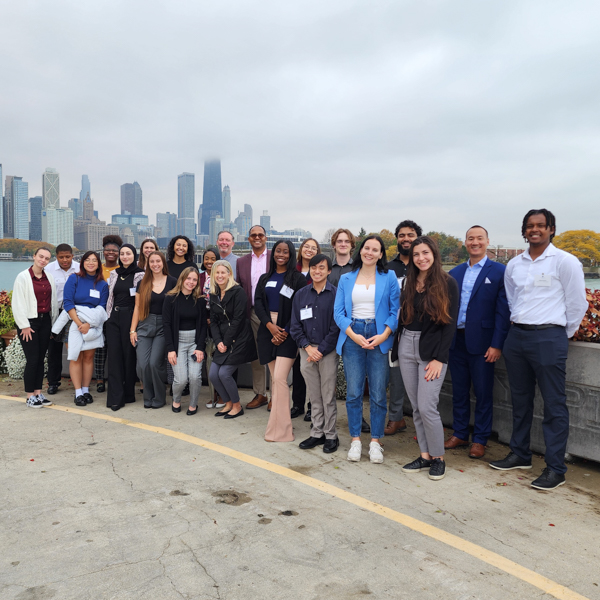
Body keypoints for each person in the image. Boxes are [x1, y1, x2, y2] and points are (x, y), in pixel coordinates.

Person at [489, 209, 587, 490]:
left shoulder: (565, 262)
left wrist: (559, 334)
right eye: (530, 226)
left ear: (551, 229)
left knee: (554, 405)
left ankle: (556, 468)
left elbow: (577, 304)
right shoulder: (514, 265)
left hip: (548, 337)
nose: (535, 230)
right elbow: (511, 298)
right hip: (516, 337)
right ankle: (520, 453)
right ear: (524, 231)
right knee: (520, 400)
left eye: (541, 226)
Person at [393, 236, 459, 481]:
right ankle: (425, 455)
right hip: (406, 346)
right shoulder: (409, 281)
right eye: (417, 254)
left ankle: (439, 458)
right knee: (417, 408)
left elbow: (449, 324)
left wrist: (439, 359)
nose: (421, 258)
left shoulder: (447, 283)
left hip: (431, 351)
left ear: (434, 254)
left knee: (428, 406)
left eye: (425, 253)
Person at [445, 226, 510, 459]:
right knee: (459, 391)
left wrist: (497, 344)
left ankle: (480, 438)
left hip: (484, 343)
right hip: (457, 341)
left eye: (479, 238)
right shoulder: (454, 272)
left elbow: (503, 312)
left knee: (483, 392)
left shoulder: (500, 271)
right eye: (470, 239)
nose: (475, 242)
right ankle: (460, 432)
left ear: (487, 241)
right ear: (465, 242)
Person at [334, 235, 400, 463]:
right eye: (366, 248)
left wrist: (383, 335)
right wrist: (353, 334)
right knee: (353, 392)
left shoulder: (389, 276)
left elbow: (395, 311)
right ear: (360, 251)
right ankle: (355, 440)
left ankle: (375, 442)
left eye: (375, 249)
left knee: (379, 393)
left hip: (379, 336)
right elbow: (338, 313)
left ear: (381, 254)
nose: (370, 252)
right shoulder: (346, 278)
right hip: (353, 335)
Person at [255, 240, 307, 441]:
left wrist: (284, 331)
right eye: (278, 250)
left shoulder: (298, 279)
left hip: (289, 331)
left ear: (291, 254)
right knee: (276, 382)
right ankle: (278, 426)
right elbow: (258, 303)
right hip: (267, 329)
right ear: (273, 253)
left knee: (279, 379)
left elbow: (300, 306)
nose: (281, 254)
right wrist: (270, 326)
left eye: (286, 251)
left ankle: (283, 430)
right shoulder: (264, 278)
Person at [291, 254, 340, 453]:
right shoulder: (301, 294)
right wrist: (306, 346)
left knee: (328, 395)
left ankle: (331, 435)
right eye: (313, 267)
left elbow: (337, 326)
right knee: (314, 395)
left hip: (327, 352)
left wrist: (320, 350)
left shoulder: (336, 294)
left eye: (322, 268)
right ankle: (316, 432)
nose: (317, 271)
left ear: (329, 271)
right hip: (306, 351)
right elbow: (295, 325)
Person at [385, 220, 422, 436]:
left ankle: (423, 424)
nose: (406, 239)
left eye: (410, 235)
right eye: (401, 235)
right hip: (394, 330)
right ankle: (396, 418)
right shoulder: (389, 268)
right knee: (395, 376)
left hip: (421, 330)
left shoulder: (424, 265)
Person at [60, 251, 109, 407]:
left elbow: (102, 308)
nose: (91, 263)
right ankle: (78, 392)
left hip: (92, 325)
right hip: (73, 323)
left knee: (88, 358)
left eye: (94, 260)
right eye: (87, 260)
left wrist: (89, 324)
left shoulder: (102, 284)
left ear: (98, 264)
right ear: (82, 262)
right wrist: (79, 322)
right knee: (76, 357)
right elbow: (67, 302)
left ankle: (86, 390)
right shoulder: (74, 278)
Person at [209, 260, 257, 419]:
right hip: (222, 340)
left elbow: (238, 320)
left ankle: (237, 405)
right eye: (217, 272)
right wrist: (218, 342)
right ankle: (228, 402)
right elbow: (213, 322)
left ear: (229, 274)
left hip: (239, 339)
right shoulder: (214, 294)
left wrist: (226, 342)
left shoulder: (238, 292)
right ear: (213, 275)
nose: (220, 275)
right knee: (213, 375)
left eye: (223, 272)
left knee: (224, 374)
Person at [12, 247, 58, 408]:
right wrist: (23, 325)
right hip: (29, 324)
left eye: (46, 258)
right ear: (34, 256)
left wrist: (54, 324)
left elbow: (53, 302)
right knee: (32, 360)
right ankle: (29, 396)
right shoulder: (23, 277)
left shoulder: (49, 277)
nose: (43, 260)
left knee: (40, 360)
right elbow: (17, 303)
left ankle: (38, 393)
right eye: (41, 256)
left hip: (45, 321)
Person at [130, 251, 176, 409]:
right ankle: (148, 396)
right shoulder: (142, 283)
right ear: (148, 264)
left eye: (158, 261)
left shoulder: (172, 282)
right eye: (152, 262)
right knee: (142, 364)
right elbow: (136, 307)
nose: (155, 264)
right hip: (144, 324)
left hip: (163, 326)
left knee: (155, 363)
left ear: (163, 263)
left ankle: (159, 396)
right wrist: (132, 330)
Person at [236, 225, 271, 410]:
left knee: (274, 354)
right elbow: (239, 288)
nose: (257, 237)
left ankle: (276, 396)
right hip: (252, 313)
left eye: (260, 235)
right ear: (249, 239)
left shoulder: (275, 257)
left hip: (273, 312)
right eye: (253, 235)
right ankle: (260, 394)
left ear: (265, 237)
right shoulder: (241, 262)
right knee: (257, 355)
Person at [105, 244, 145, 411]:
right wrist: (107, 317)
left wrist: (134, 327)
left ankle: (129, 393)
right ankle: (116, 398)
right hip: (114, 317)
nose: (124, 256)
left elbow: (139, 302)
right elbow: (110, 297)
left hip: (131, 317)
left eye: (128, 253)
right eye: (122, 254)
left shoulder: (140, 275)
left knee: (129, 357)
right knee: (114, 357)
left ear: (134, 255)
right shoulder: (114, 274)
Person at [163, 267, 207, 414]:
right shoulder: (170, 298)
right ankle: (176, 399)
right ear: (182, 279)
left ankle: (193, 404)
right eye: (188, 278)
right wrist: (170, 349)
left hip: (195, 342)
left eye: (194, 279)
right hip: (178, 343)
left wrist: (200, 347)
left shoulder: (200, 300)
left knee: (195, 377)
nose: (191, 282)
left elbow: (202, 326)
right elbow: (167, 325)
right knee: (181, 379)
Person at [291, 238, 321, 420]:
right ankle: (297, 404)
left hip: (313, 324)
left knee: (312, 367)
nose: (309, 250)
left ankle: (312, 406)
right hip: (294, 323)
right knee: (297, 368)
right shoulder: (292, 270)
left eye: (314, 248)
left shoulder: (317, 271)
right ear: (301, 249)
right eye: (307, 247)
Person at [44, 243, 80, 395]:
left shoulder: (79, 269)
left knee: (76, 347)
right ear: (56, 256)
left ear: (72, 256)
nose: (65, 260)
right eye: (61, 257)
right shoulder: (49, 269)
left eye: (68, 257)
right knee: (54, 349)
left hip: (75, 313)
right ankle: (53, 382)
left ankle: (79, 383)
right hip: (56, 312)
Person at [95, 234, 123, 393]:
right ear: (103, 252)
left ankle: (118, 378)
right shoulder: (98, 268)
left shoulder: (122, 270)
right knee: (100, 348)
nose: (111, 253)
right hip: (98, 314)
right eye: (107, 250)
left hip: (116, 314)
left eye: (114, 250)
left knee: (115, 348)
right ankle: (99, 379)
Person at [199, 248, 222, 409]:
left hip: (219, 322)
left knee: (221, 357)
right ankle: (212, 395)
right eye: (206, 258)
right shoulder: (199, 277)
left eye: (212, 258)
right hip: (202, 321)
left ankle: (222, 394)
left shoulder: (221, 276)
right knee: (208, 359)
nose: (209, 262)